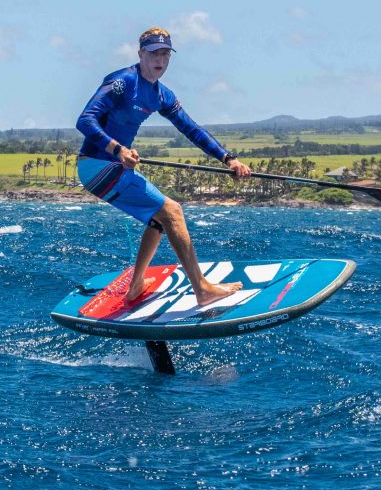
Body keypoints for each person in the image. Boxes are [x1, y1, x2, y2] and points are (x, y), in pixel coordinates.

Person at [76, 27, 252, 306]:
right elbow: (85, 121)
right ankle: (202, 289)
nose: (160, 59)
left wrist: (228, 158)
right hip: (96, 165)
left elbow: (191, 129)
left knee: (160, 220)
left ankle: (135, 287)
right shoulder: (122, 81)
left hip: (116, 168)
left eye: (166, 54)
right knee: (172, 210)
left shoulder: (161, 95)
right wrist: (118, 149)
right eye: (154, 53)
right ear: (140, 54)